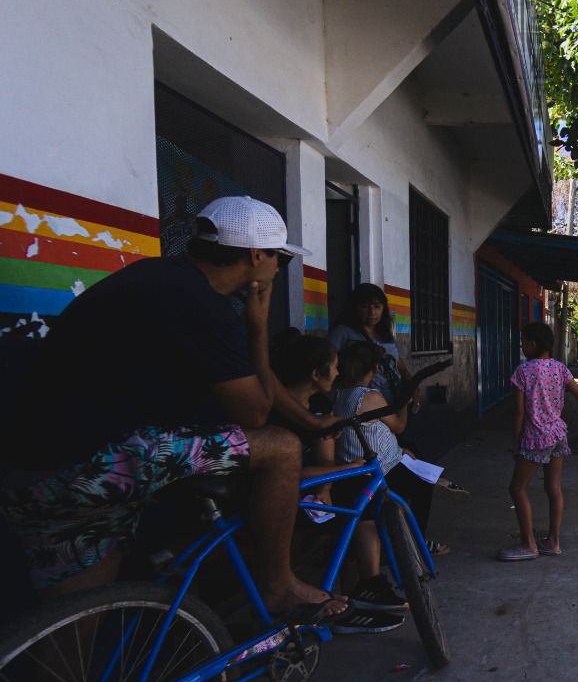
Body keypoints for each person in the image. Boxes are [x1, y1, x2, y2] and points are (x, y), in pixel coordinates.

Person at [0, 196, 345, 617]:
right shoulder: (203, 306)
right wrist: (256, 328)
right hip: (102, 461)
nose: (278, 269)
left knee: (72, 624)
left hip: (34, 466)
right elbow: (255, 413)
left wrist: (311, 418)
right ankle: (279, 586)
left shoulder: (153, 276)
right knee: (281, 448)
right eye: (280, 259)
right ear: (257, 255)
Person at [270, 331, 407, 634]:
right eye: (333, 366)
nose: (338, 372)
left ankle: (358, 594)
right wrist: (345, 470)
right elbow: (287, 473)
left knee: (354, 508)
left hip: (313, 487)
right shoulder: (275, 415)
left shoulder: (320, 403)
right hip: (279, 495)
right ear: (316, 374)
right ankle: (354, 599)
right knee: (356, 516)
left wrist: (327, 486)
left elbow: (325, 458)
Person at [499, 321, 578, 562]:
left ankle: (529, 544)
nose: (521, 345)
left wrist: (516, 443)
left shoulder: (523, 372)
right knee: (554, 488)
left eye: (523, 341)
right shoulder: (560, 369)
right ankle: (554, 541)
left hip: (536, 437)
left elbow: (519, 414)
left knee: (517, 488)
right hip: (558, 435)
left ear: (532, 344)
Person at [329, 283, 412, 411]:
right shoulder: (343, 333)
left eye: (377, 306)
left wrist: (413, 388)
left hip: (394, 402)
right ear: (354, 307)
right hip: (363, 405)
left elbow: (398, 364)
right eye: (364, 306)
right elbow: (327, 363)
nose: (372, 312)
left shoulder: (386, 335)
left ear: (384, 308)